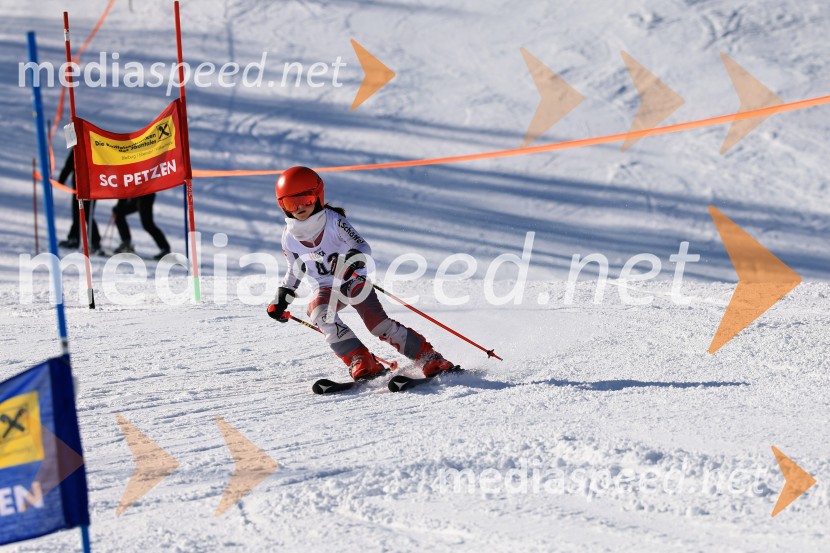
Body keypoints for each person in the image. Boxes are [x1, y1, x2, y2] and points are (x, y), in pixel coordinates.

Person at [267, 166, 456, 381]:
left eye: (306, 200)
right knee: (319, 313)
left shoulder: (333, 221)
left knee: (378, 326)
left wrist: (350, 261)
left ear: (317, 196)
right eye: (291, 203)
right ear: (282, 206)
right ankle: (361, 359)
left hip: (351, 279)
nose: (300, 207)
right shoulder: (289, 237)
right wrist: (282, 296)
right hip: (325, 287)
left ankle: (428, 357)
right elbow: (295, 268)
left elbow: (363, 247)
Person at [57, 150, 101, 253]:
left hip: (91, 188)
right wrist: (61, 180)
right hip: (79, 188)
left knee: (87, 214)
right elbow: (69, 164)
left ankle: (94, 242)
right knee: (78, 214)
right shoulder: (77, 149)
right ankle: (75, 239)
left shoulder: (94, 148)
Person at [112, 193, 171, 260]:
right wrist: (119, 206)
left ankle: (165, 249)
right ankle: (126, 244)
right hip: (136, 195)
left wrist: (119, 205)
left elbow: (125, 188)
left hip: (146, 195)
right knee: (118, 213)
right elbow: (125, 188)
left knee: (147, 224)